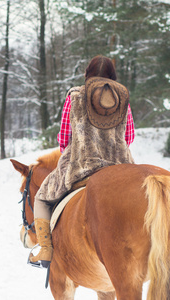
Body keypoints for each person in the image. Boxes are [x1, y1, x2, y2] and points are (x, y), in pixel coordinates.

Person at [29, 55, 135, 268]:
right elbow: (129, 136)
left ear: (87, 74)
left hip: (80, 164)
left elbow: (64, 137)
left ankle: (46, 251)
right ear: (113, 76)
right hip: (121, 165)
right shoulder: (123, 97)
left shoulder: (75, 95)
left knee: (41, 197)